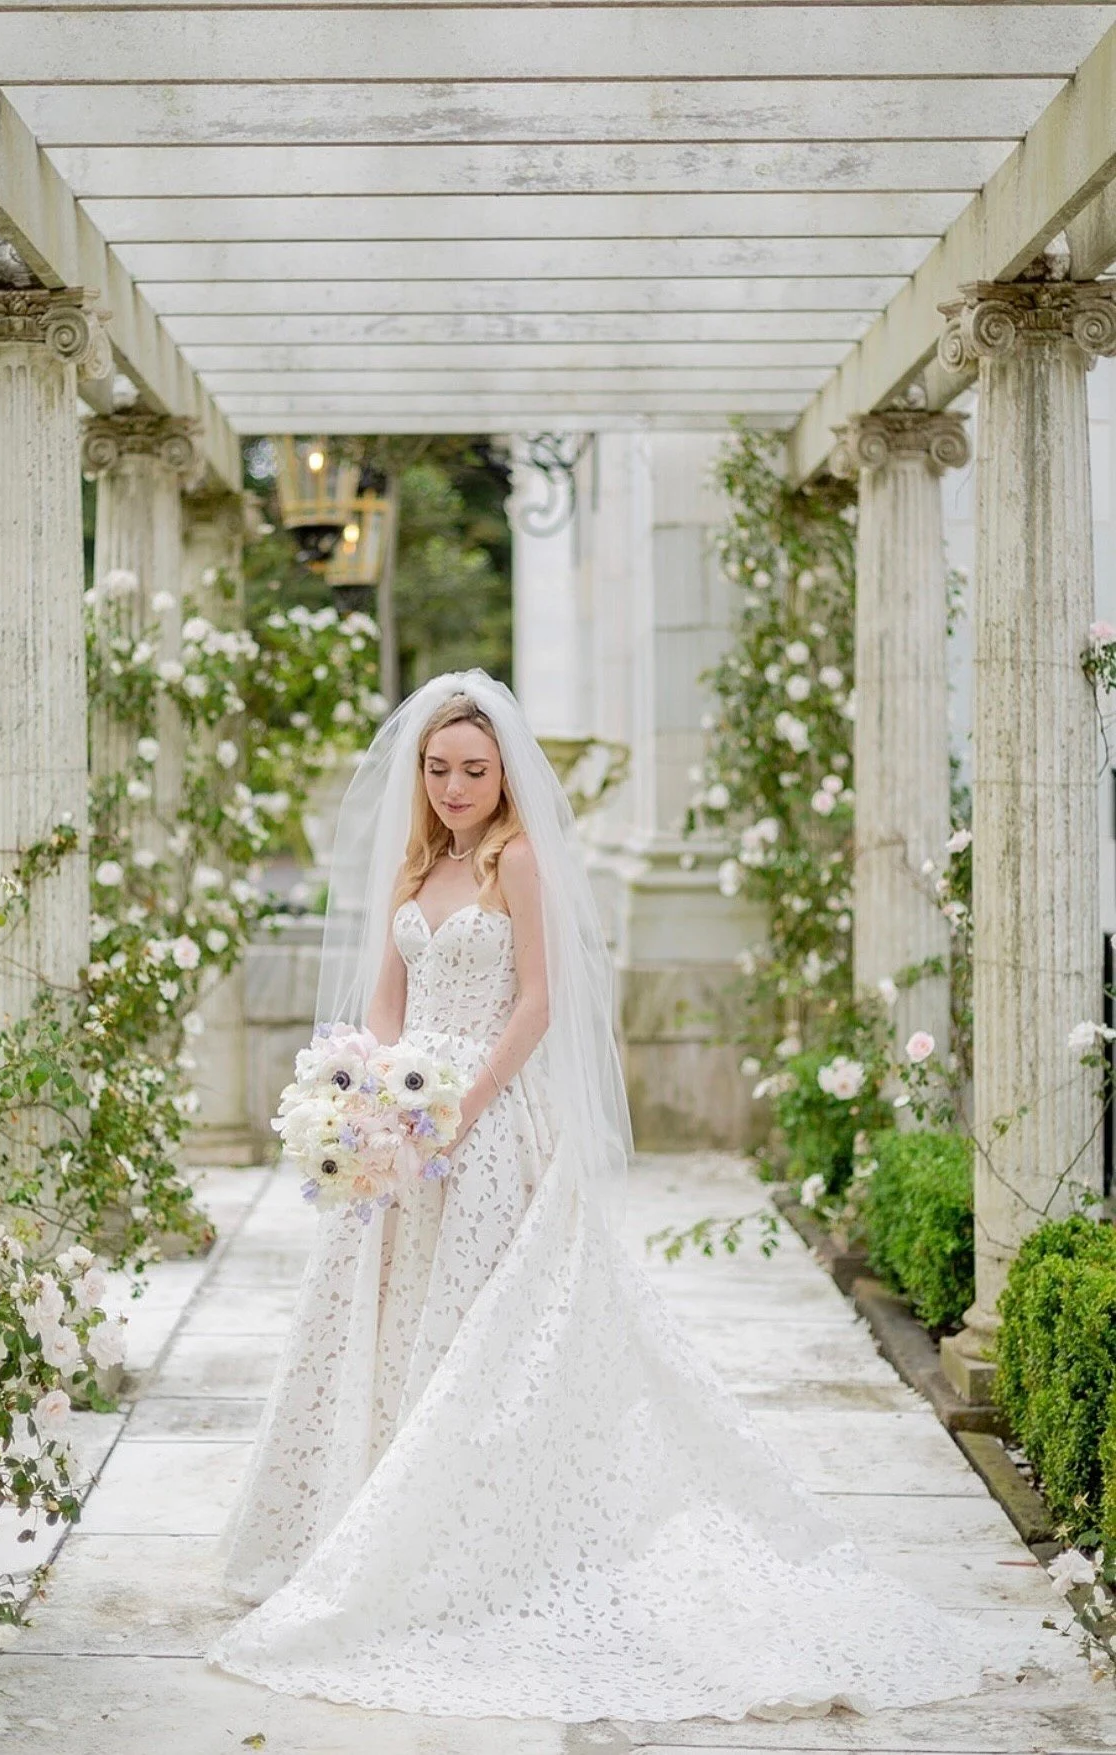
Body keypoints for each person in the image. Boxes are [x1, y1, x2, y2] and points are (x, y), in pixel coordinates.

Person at [209, 669, 1004, 1722]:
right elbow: (385, 1000)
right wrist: (365, 1097)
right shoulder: (412, 870)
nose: (455, 787)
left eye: (475, 770)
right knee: (387, 1316)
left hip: (485, 1120)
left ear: (504, 776)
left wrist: (459, 1104)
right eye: (439, 769)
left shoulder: (519, 862)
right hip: (404, 1127)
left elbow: (539, 1002)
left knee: (490, 1332)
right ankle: (361, 1526)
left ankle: (474, 1541)